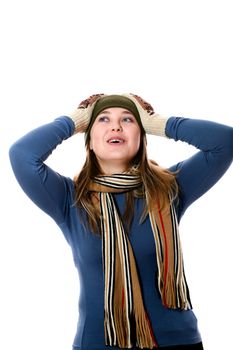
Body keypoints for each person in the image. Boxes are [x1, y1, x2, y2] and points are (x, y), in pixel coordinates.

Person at [9, 93, 233, 350]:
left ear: (142, 137)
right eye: (103, 119)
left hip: (177, 342)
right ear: (89, 141)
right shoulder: (70, 198)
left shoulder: (170, 188)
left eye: (128, 119)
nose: (115, 125)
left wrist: (156, 123)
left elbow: (225, 142)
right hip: (99, 344)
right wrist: (75, 120)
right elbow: (22, 155)